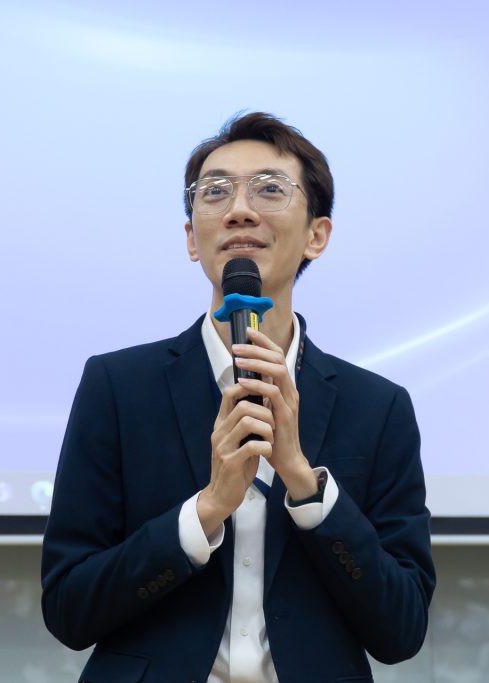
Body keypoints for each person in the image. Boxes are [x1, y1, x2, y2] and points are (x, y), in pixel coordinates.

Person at [41, 112, 435, 683]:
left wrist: (304, 483)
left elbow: (401, 630)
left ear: (318, 235)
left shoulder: (378, 408)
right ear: (191, 238)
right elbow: (69, 607)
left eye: (270, 190)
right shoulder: (118, 387)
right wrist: (206, 509)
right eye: (215, 192)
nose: (239, 210)